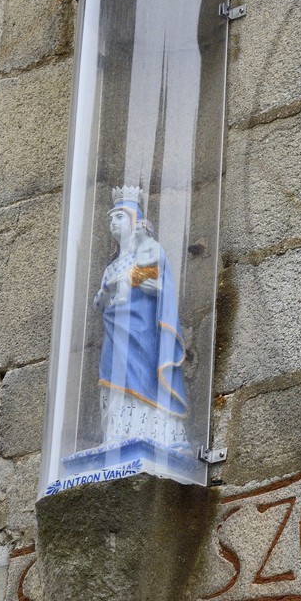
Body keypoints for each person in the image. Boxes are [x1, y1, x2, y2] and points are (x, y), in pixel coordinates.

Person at [95, 187, 189, 452]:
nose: (113, 223)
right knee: (114, 377)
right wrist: (107, 289)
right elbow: (97, 302)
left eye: (119, 217)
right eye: (110, 218)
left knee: (142, 374)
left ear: (136, 221)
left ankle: (154, 432)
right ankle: (117, 432)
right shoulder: (111, 266)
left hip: (141, 327)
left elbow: (161, 286)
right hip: (114, 327)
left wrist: (138, 283)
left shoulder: (148, 252)